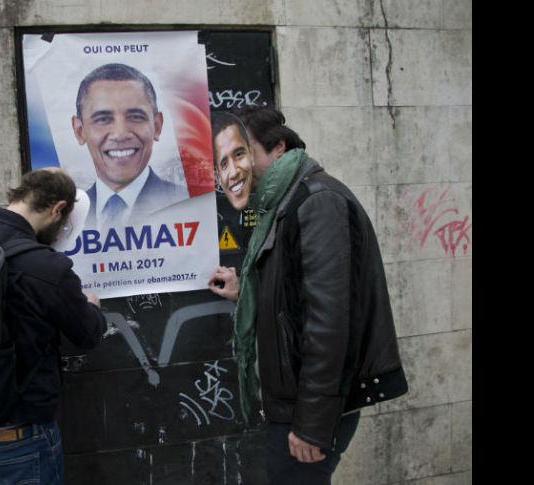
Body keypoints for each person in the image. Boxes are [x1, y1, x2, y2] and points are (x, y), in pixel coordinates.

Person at [208, 107, 408, 484]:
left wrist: (313, 426)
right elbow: (296, 301)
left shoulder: (317, 203)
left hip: (309, 413)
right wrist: (248, 292)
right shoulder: (283, 205)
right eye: (223, 162)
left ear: (278, 148)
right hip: (294, 406)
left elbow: (329, 324)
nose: (232, 171)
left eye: (242, 152)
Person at [0, 168, 107, 485]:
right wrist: (92, 307)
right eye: (64, 223)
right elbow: (87, 334)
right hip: (21, 440)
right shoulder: (47, 267)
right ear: (57, 209)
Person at [71, 63, 187, 228]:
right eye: (103, 119)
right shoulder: (69, 216)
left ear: (157, 126)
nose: (120, 134)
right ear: (79, 130)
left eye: (135, 117)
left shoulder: (186, 203)